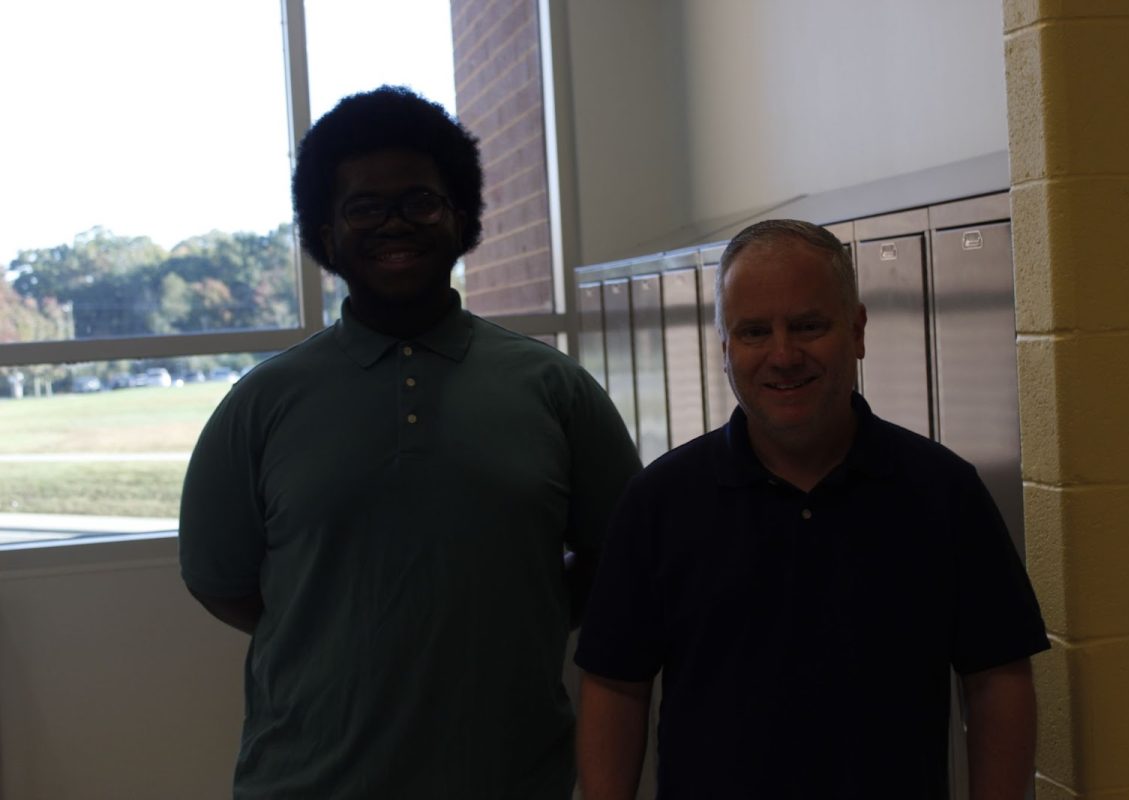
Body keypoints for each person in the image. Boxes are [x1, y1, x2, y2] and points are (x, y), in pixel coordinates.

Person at [179, 85, 640, 799]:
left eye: (421, 201)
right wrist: (332, 628)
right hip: (305, 783)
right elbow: (222, 582)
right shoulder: (261, 403)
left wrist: (527, 610)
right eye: (364, 206)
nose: (395, 223)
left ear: (462, 219)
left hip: (514, 780)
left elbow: (622, 555)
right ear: (325, 234)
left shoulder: (555, 388)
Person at [574, 219, 1050, 799]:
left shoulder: (943, 491)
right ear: (724, 348)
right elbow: (616, 688)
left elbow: (996, 679)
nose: (783, 354)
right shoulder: (658, 504)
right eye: (754, 332)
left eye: (807, 326)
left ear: (857, 330)